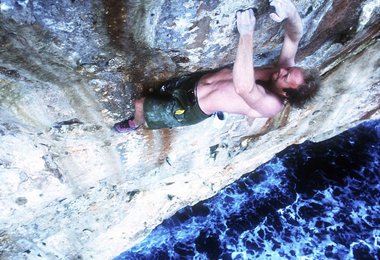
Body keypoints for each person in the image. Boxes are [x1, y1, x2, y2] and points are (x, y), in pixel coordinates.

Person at [113, 0, 321, 132]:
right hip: (194, 81)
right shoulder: (284, 71)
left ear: (286, 94)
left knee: (141, 103)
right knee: (157, 90)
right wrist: (291, 12)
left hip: (190, 107)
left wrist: (246, 33)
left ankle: (135, 123)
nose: (282, 70)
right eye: (290, 70)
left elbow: (244, 87)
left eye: (285, 78)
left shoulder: (271, 105)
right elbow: (294, 37)